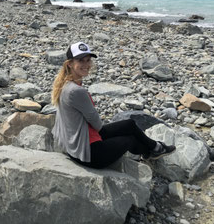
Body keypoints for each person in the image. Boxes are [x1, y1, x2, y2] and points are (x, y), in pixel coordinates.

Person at [51, 41, 176, 169]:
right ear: (70, 64)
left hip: (75, 145)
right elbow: (98, 125)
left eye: (88, 60)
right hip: (89, 154)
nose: (86, 64)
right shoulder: (76, 91)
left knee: (129, 124)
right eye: (81, 61)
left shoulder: (64, 85)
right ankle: (154, 149)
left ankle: (153, 148)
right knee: (130, 138)